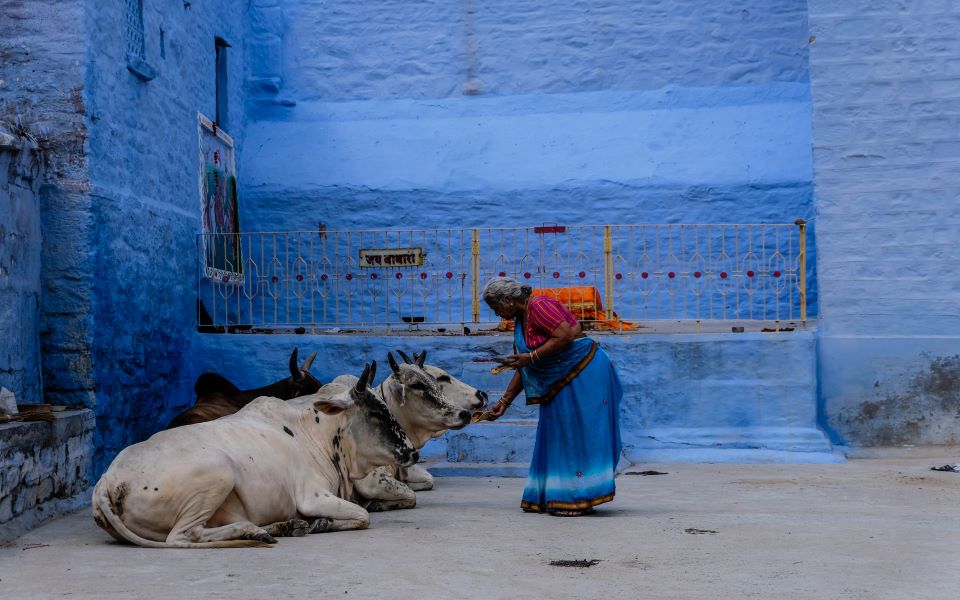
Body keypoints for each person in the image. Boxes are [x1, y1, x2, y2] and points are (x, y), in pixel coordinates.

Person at [482, 276, 622, 516]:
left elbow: (565, 335)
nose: (496, 314)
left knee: (577, 433)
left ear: (508, 300)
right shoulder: (520, 320)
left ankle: (579, 497)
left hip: (583, 370)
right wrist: (504, 402)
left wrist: (532, 357)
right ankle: (557, 493)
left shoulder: (539, 306)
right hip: (559, 377)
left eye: (496, 308)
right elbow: (524, 365)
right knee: (557, 432)